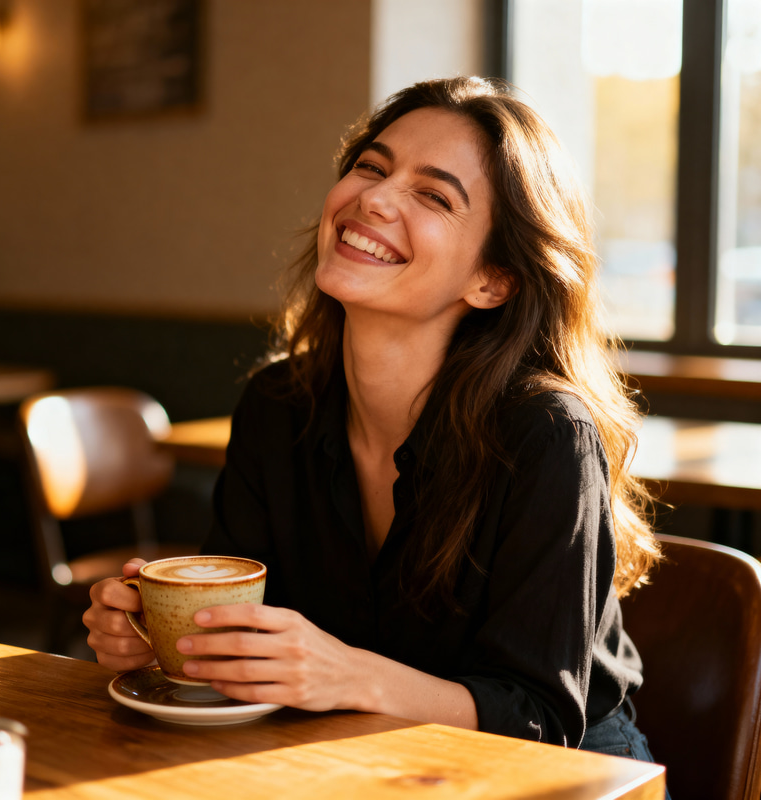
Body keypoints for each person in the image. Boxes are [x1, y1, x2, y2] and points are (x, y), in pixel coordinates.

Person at [84, 76, 663, 764]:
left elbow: (537, 717)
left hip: (563, 774)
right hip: (353, 752)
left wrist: (343, 672)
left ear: (493, 280)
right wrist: (155, 635)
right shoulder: (276, 405)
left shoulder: (545, 432)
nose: (375, 198)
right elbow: (246, 635)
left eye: (433, 195)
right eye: (371, 166)